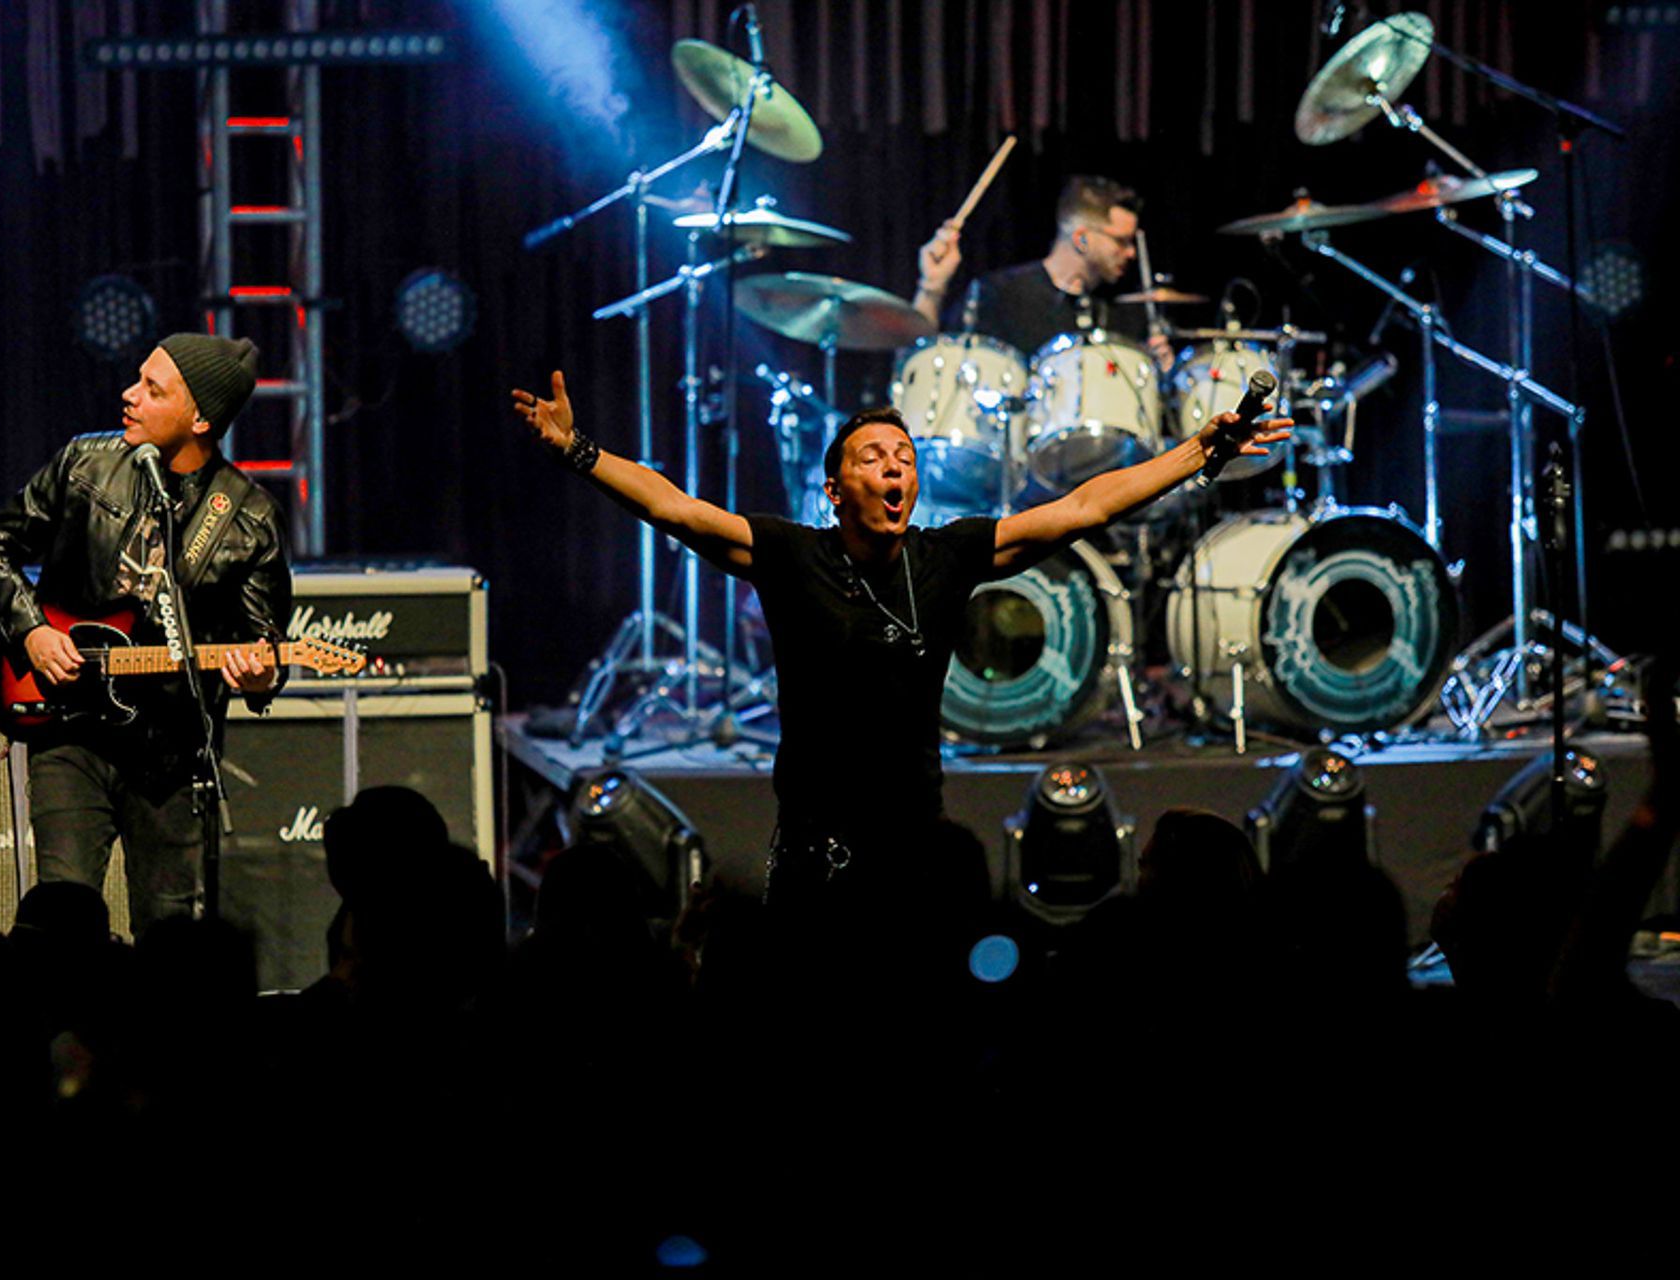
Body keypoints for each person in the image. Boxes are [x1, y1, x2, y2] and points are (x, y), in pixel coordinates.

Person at [509, 371, 1288, 900]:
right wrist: (580, 451)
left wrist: (1200, 452)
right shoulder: (791, 555)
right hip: (813, 850)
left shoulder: (944, 557)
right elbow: (675, 509)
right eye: (874, 456)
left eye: (905, 457)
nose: (896, 467)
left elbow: (1084, 509)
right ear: (835, 488)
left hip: (917, 844)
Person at [0, 333, 292, 935]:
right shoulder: (84, 464)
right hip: (70, 734)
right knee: (61, 924)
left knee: (169, 937)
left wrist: (264, 673)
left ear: (199, 417)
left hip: (172, 758)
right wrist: (32, 633)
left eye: (153, 388)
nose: (129, 395)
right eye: (138, 379)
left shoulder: (248, 518)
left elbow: (265, 645)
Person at [912, 173, 1175, 371]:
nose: (1131, 253)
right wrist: (931, 288)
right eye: (1121, 241)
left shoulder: (1124, 313)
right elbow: (927, 367)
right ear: (1081, 239)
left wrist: (1160, 375)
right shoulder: (999, 295)